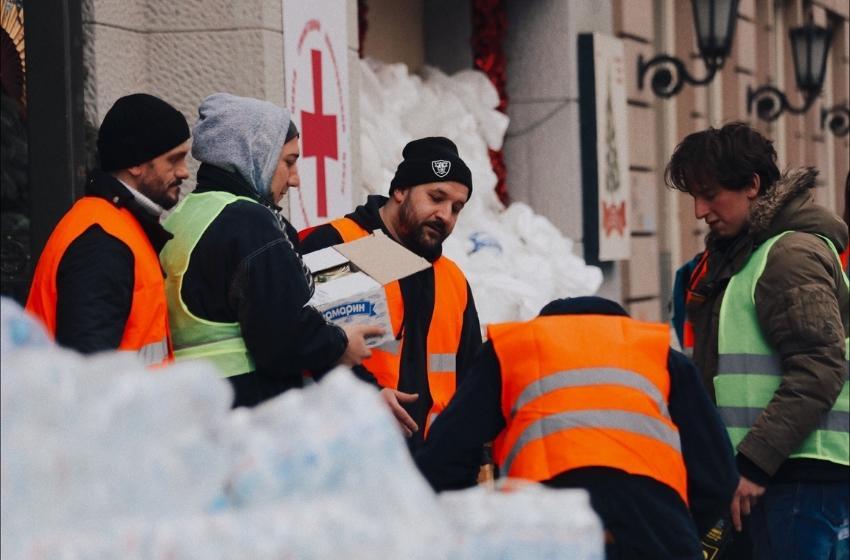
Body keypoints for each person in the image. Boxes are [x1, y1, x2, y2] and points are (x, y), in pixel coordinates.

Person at [414, 296, 738, 559]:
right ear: (621, 326)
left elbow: (445, 457)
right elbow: (719, 476)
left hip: (547, 530)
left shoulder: (514, 348)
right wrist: (676, 526)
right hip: (655, 526)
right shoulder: (659, 354)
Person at [666, 122, 849, 560]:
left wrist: (751, 463)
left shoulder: (788, 255)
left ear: (752, 185)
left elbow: (819, 369)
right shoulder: (746, 255)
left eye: (710, 194)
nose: (699, 210)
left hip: (798, 478)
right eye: (694, 196)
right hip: (777, 474)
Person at [159, 93, 378, 407]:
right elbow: (284, 336)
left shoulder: (185, 215)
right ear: (255, 154)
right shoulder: (250, 222)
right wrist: (341, 344)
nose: (295, 179)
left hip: (198, 405)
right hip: (248, 408)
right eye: (288, 162)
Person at [300, 137, 482, 451]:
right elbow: (308, 343)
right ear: (399, 190)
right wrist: (366, 393)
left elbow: (471, 379)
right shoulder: (343, 242)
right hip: (345, 453)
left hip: (429, 464)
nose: (445, 215)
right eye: (436, 197)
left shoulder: (450, 278)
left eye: (456, 208)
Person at [26, 93, 190, 365]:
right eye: (174, 159)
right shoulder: (103, 242)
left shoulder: (114, 226)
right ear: (136, 163)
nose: (184, 171)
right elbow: (88, 370)